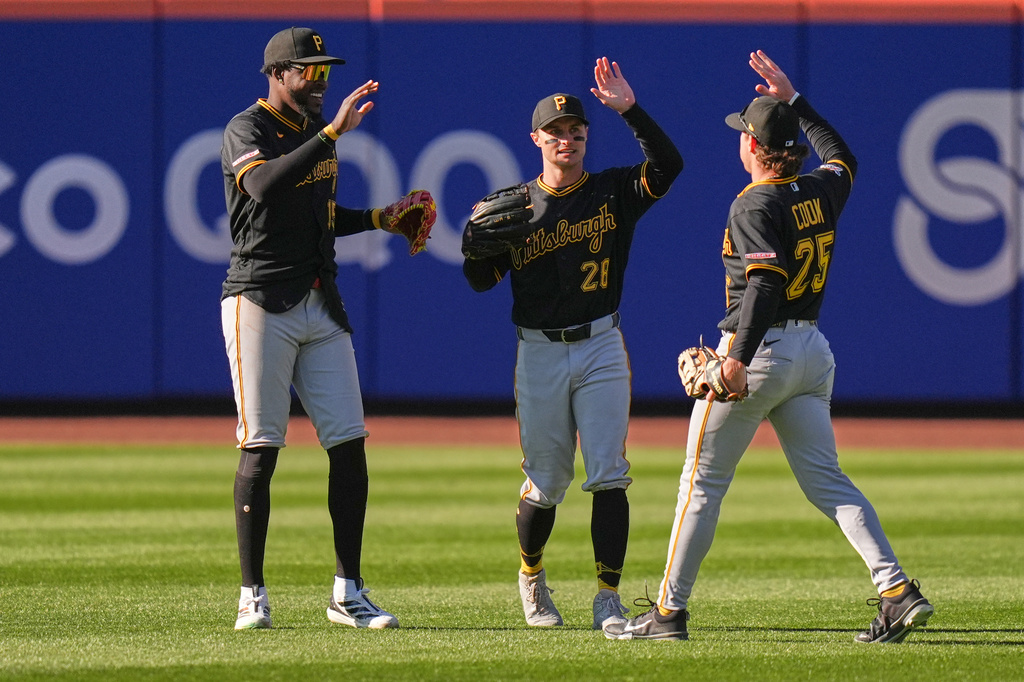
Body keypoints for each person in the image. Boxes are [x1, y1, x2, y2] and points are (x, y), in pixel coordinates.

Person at [604, 51, 933, 643]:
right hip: (812, 353)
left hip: (762, 352)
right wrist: (798, 103)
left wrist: (736, 356)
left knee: (699, 485)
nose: (740, 143)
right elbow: (845, 158)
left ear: (754, 148)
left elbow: (765, 280)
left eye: (743, 135)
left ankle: (668, 615)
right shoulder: (819, 189)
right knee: (828, 481)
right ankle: (896, 589)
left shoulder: (753, 202)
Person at [462, 57, 683, 630]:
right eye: (555, 130)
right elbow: (482, 282)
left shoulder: (612, 190)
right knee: (548, 480)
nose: (567, 137)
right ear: (535, 138)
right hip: (537, 349)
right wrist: (475, 251)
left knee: (609, 471)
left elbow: (669, 165)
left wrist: (630, 110)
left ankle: (608, 596)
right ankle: (531, 579)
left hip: (602, 343)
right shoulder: (515, 205)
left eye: (576, 129)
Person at [221, 26, 430, 630]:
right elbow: (261, 186)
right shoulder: (248, 128)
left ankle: (347, 590)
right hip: (259, 299)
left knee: (350, 443)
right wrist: (333, 132)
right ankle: (252, 594)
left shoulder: (316, 134)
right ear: (279, 73)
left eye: (324, 71)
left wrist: (380, 218)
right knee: (261, 446)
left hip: (319, 299)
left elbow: (318, 214)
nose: (320, 81)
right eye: (309, 70)